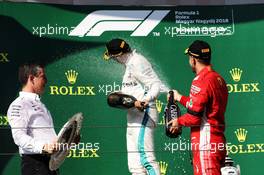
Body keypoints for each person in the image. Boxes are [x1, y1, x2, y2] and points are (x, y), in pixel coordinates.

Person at [168, 40, 228, 175]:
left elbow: (194, 118)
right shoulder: (218, 79)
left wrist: (178, 122)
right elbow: (202, 107)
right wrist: (179, 98)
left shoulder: (200, 80)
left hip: (205, 142)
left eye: (189, 58)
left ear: (194, 60)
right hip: (217, 141)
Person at [104, 38, 161, 175]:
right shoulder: (130, 64)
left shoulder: (137, 61)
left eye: (112, 57)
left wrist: (146, 100)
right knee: (135, 166)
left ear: (118, 54)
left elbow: (155, 84)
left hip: (143, 115)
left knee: (146, 160)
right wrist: (120, 97)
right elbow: (133, 91)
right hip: (133, 116)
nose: (114, 60)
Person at [7, 63, 59, 175]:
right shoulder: (19, 105)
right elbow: (19, 137)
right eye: (43, 77)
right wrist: (43, 147)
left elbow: (49, 138)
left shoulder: (40, 105)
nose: (46, 81)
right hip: (35, 165)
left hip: (50, 163)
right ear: (31, 78)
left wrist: (68, 141)